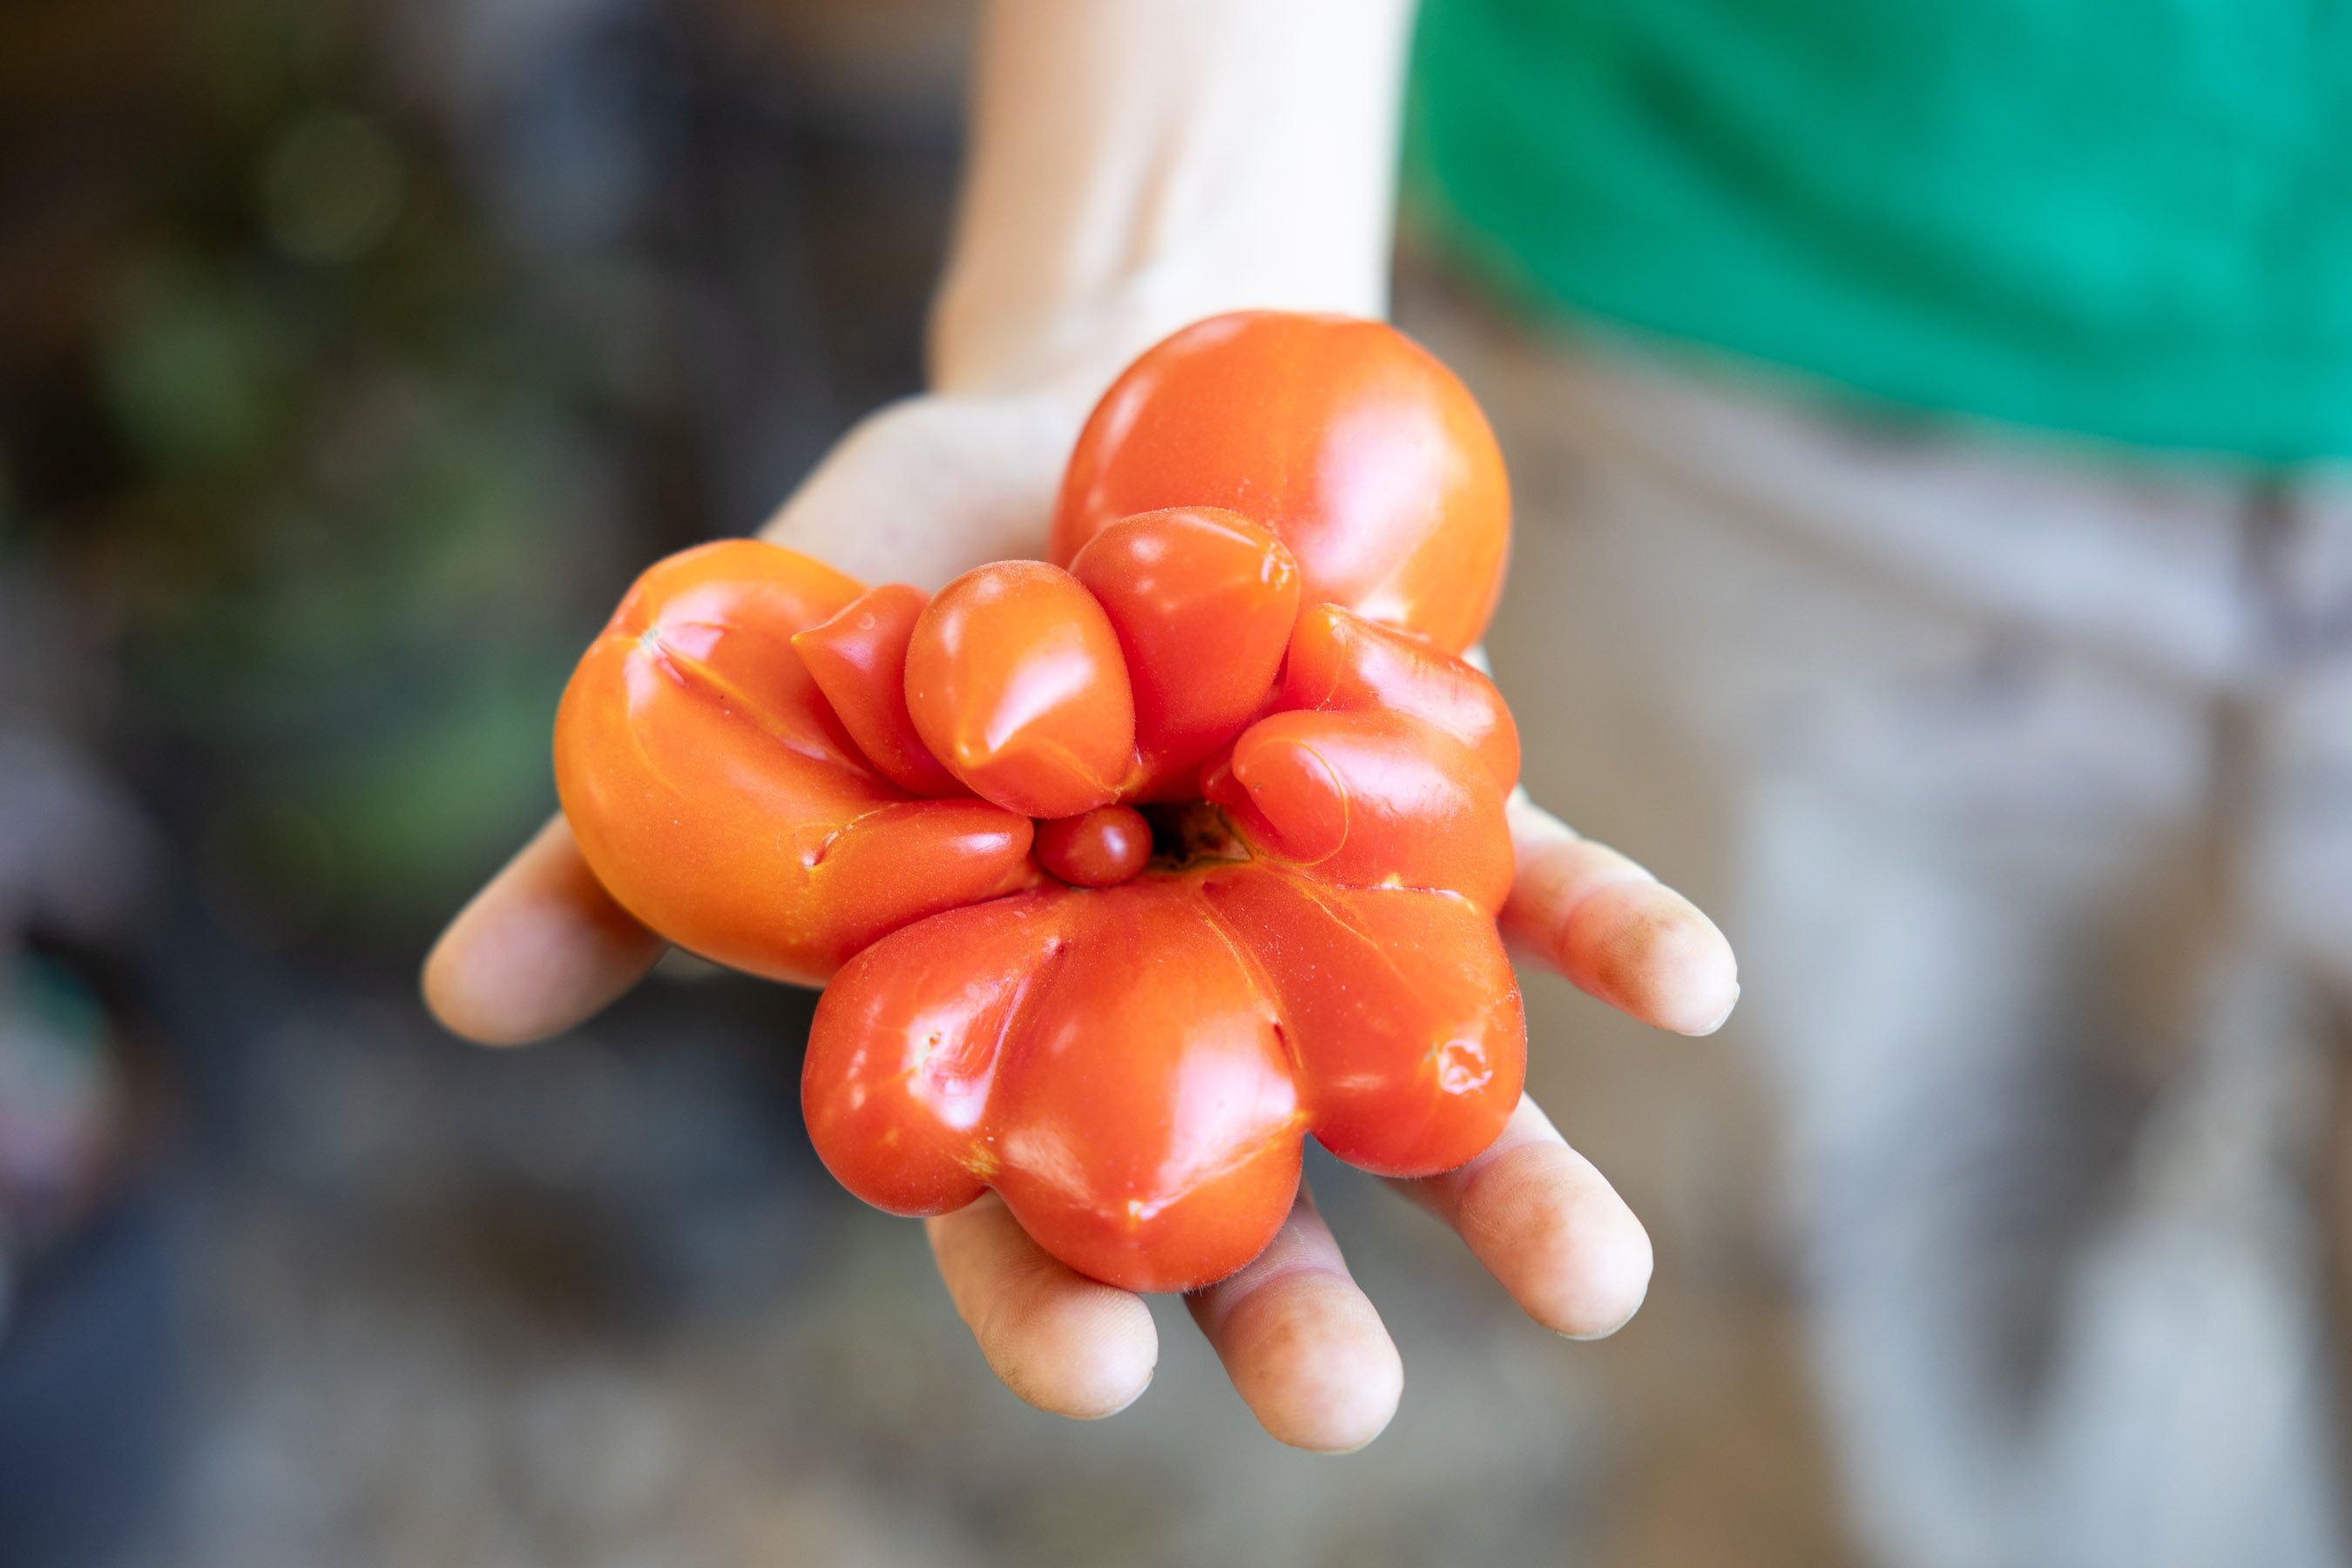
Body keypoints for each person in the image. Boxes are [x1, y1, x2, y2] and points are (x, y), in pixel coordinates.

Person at [428, 3, 2351, 1559]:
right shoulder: (1289, 745)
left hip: (1705, 358)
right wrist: (1148, 286)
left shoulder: (1155, 787)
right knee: (1873, 1383)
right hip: (1737, 353)